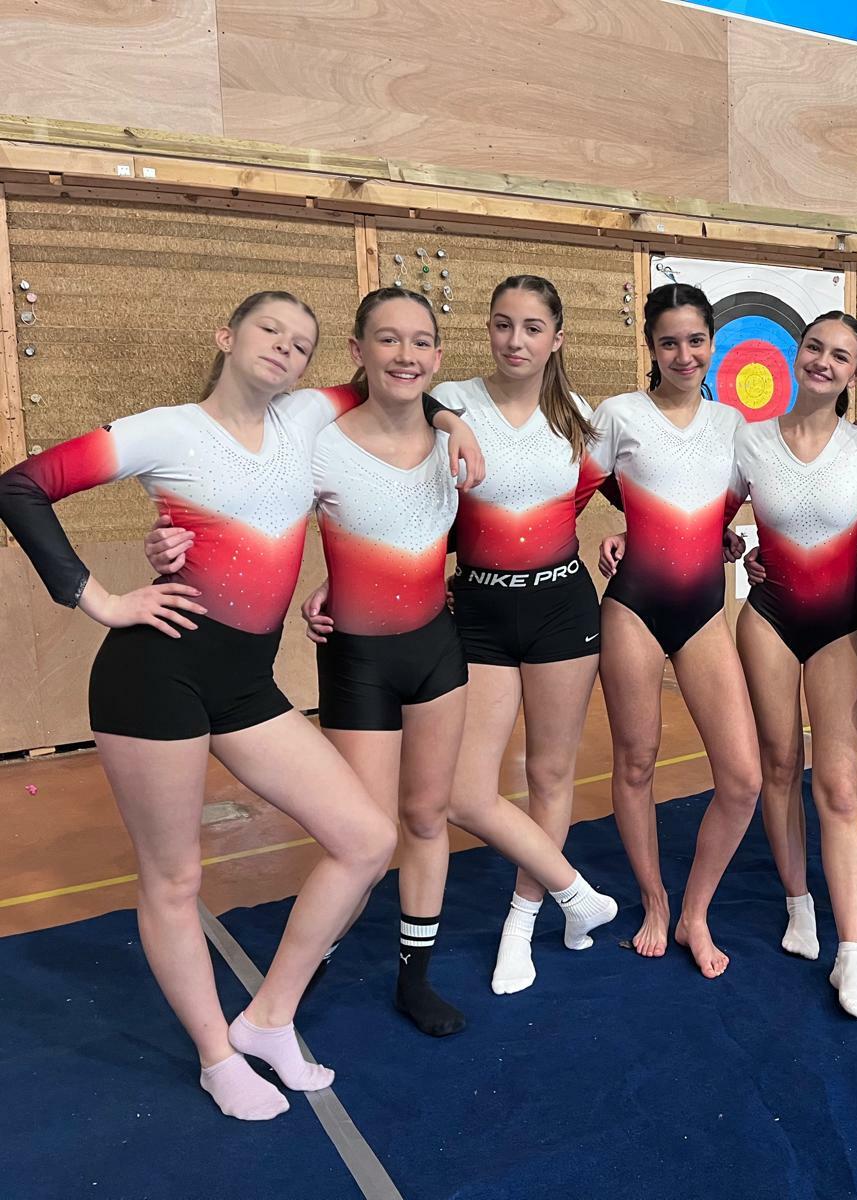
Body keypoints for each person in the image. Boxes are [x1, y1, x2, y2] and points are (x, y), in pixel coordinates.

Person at [0, 292, 412, 1120]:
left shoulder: (307, 415)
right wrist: (98, 598)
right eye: (270, 331)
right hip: (156, 675)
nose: (286, 349)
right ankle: (217, 1057)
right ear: (226, 335)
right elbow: (20, 487)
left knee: (367, 838)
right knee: (175, 876)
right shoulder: (166, 430)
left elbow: (396, 384)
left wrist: (458, 424)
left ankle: (268, 1019)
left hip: (246, 684)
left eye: (302, 344)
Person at [429, 275, 615, 995]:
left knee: (550, 775)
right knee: (464, 792)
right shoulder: (451, 402)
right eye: (503, 324)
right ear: (487, 329)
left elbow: (615, 493)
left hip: (561, 608)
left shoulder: (577, 417)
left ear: (556, 338)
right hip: (479, 611)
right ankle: (576, 892)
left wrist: (635, 535)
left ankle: (523, 922)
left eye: (533, 327)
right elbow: (374, 409)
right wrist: (447, 423)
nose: (516, 340)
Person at [590, 283, 763, 978]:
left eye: (695, 341)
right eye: (669, 342)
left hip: (703, 610)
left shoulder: (734, 426)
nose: (684, 355)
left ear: (712, 342)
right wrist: (624, 528)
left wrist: (721, 535)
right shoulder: (619, 415)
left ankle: (695, 910)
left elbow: (732, 505)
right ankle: (655, 900)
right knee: (636, 762)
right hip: (633, 605)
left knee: (743, 778)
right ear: (651, 347)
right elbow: (575, 493)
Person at [727, 311, 857, 1017]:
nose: (823, 361)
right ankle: (798, 903)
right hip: (769, 619)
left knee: (841, 788)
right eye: (815, 347)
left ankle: (852, 953)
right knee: (780, 765)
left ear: (856, 373)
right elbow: (709, 515)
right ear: (796, 353)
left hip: (839, 625)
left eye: (840, 355)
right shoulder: (750, 440)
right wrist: (733, 543)